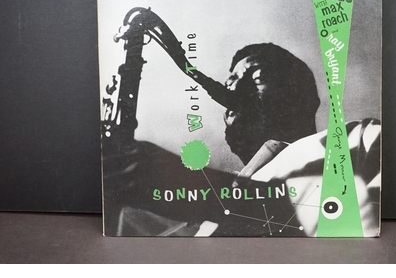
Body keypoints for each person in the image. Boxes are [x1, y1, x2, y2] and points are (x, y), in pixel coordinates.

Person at [105, 43, 381, 238]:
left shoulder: (358, 138)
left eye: (258, 76)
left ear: (304, 98)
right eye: (229, 82)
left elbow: (369, 227)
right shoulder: (200, 227)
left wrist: (217, 196)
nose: (234, 89)